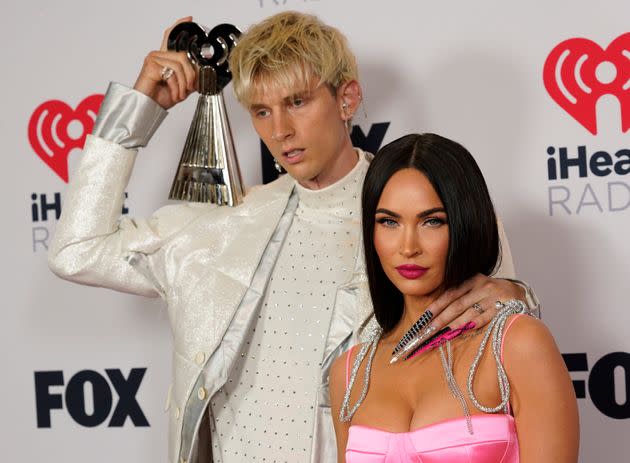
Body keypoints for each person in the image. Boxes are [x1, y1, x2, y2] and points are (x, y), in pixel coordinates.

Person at [48, 12, 538, 463]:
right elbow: (77, 251)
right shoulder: (221, 227)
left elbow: (502, 351)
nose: (280, 130)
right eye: (260, 111)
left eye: (296, 102)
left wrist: (516, 295)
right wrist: (140, 108)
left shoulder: (426, 216)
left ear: (346, 99)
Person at [329, 133, 579, 462]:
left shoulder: (518, 344)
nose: (408, 247)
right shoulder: (348, 374)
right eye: (389, 222)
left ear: (465, 223)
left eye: (432, 221)